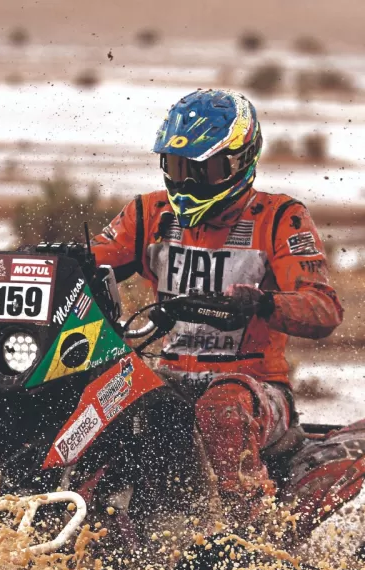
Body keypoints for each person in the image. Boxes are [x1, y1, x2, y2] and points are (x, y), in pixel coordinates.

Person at [91, 89, 343, 524]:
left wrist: (261, 302)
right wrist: (39, 264)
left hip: (257, 389)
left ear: (240, 160)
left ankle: (252, 538)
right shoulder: (149, 213)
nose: (187, 182)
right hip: (168, 376)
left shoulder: (281, 217)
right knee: (101, 397)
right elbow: (88, 260)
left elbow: (323, 308)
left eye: (202, 170)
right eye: (177, 167)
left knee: (222, 407)